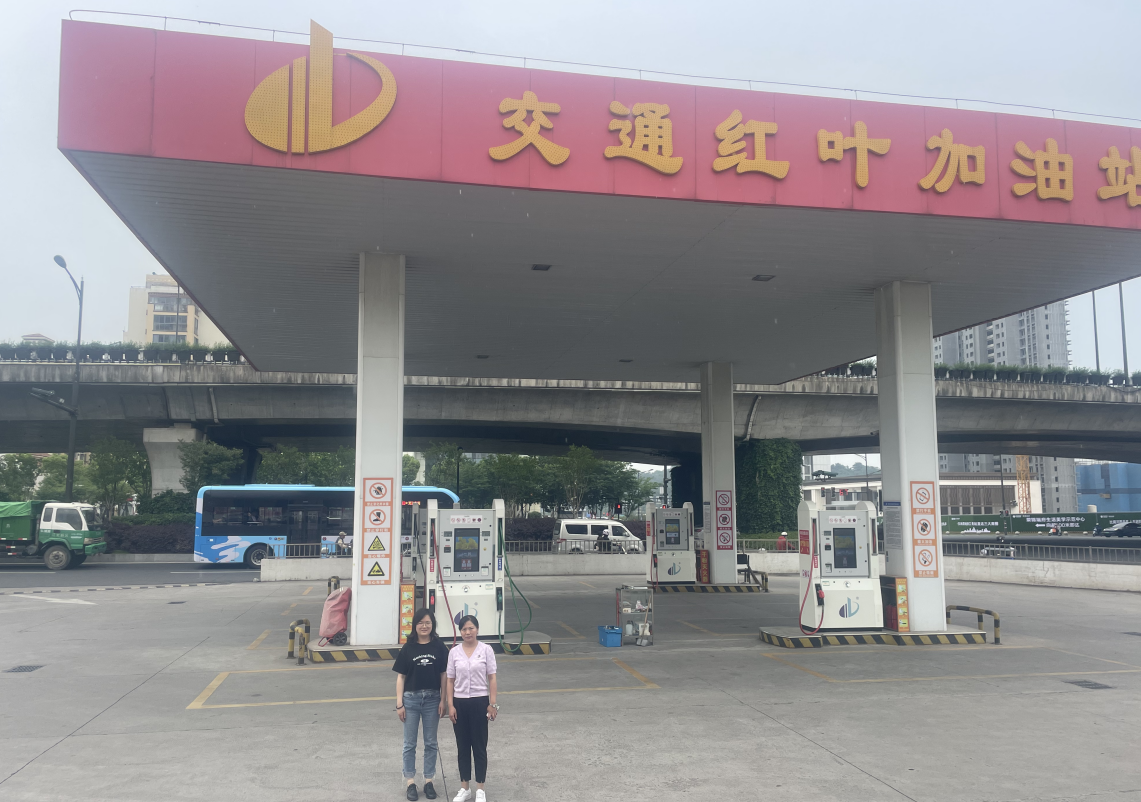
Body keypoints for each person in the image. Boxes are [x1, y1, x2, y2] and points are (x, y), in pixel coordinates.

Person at [393, 609, 450, 801]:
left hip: (433, 700)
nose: (424, 626)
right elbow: (401, 677)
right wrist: (399, 704)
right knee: (409, 744)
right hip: (410, 700)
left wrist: (443, 700)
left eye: (428, 623)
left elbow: (444, 674)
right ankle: (410, 782)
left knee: (431, 743)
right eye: (420, 623)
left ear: (432, 625)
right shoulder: (408, 648)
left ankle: (429, 781)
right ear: (415, 625)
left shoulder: (439, 646)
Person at [446, 615, 498, 802]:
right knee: (462, 746)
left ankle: (480, 789)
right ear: (460, 632)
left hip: (479, 702)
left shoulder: (486, 650)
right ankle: (465, 788)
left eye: (471, 628)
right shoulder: (454, 652)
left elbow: (492, 678)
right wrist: (450, 705)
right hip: (459, 703)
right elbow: (450, 681)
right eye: (464, 629)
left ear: (477, 629)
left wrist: (492, 704)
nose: (467, 632)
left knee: (479, 746)